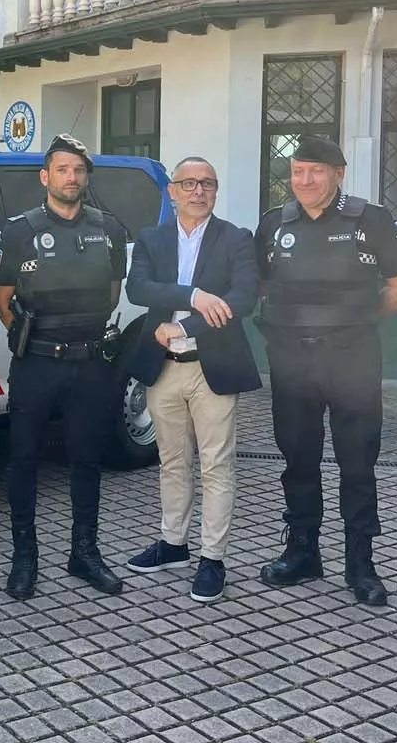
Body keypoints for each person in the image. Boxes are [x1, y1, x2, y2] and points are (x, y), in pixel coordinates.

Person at [254, 137, 397, 607]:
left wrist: (356, 326)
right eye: (298, 171)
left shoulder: (372, 220)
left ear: (339, 173)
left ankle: (360, 562)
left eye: (316, 171)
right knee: (298, 459)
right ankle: (302, 551)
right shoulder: (273, 225)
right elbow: (263, 287)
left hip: (352, 360)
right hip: (292, 361)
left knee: (357, 462)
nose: (305, 180)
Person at [0, 134, 127, 600]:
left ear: (86, 177)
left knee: (86, 459)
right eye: (63, 169)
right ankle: (24, 557)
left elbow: (112, 292)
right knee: (23, 460)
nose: (71, 178)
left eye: (79, 170)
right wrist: (35, 338)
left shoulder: (109, 228)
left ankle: (84, 552)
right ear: (45, 176)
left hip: (90, 362)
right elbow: (3, 299)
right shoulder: (18, 230)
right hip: (37, 364)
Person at [123, 156, 262, 603]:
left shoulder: (236, 239)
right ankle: (173, 544)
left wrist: (186, 324)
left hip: (212, 366)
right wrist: (195, 296)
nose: (198, 191)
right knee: (171, 461)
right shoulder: (151, 238)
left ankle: (212, 558)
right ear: (172, 191)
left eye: (207, 183)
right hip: (163, 367)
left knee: (216, 464)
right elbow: (138, 289)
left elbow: (242, 299)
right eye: (188, 183)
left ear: (215, 191)